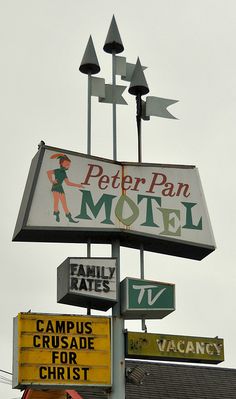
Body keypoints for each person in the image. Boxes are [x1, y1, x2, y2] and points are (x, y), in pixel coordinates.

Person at [47, 153, 83, 223]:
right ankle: (57, 215)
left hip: (60, 187)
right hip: (55, 187)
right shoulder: (57, 170)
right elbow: (48, 172)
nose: (68, 166)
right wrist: (52, 181)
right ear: (61, 163)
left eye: (69, 164)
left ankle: (69, 218)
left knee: (64, 203)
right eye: (66, 164)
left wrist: (78, 185)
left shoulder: (64, 173)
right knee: (56, 202)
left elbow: (68, 183)